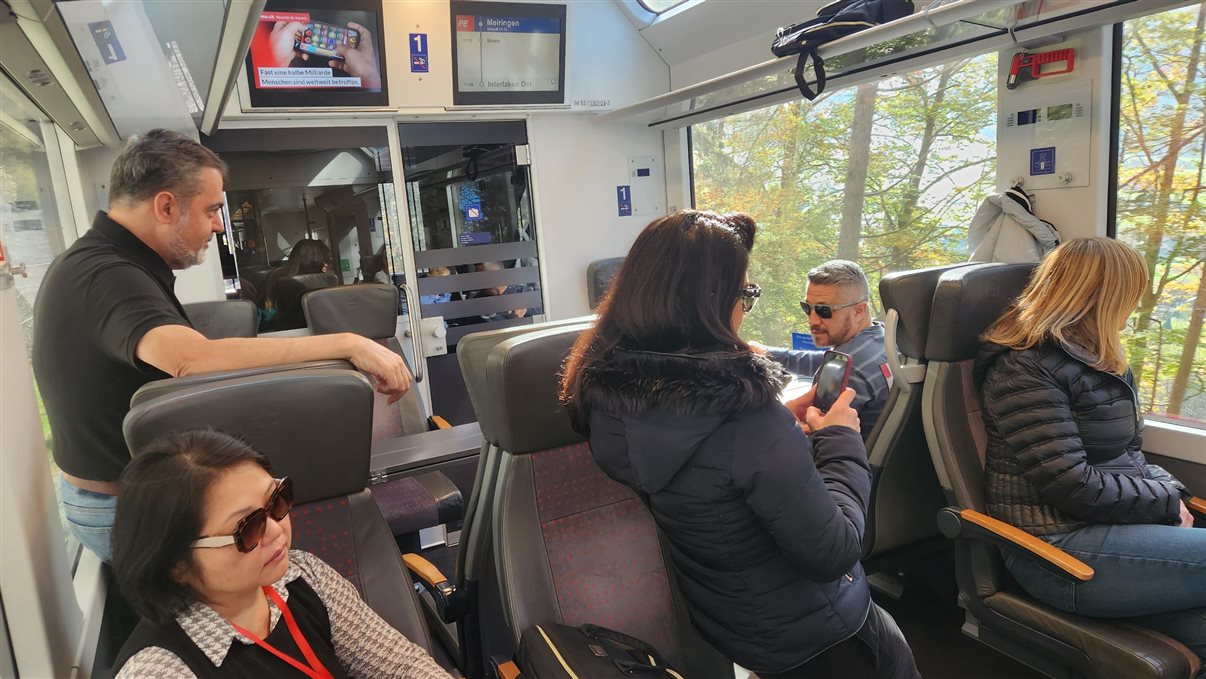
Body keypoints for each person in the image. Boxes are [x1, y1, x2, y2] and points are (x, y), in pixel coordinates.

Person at [560, 210, 919, 679]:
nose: (745, 307)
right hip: (820, 635)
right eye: (746, 293)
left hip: (728, 619)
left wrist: (779, 433)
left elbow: (711, 472)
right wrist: (840, 438)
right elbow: (834, 551)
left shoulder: (609, 400)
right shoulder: (749, 422)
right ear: (707, 303)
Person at [31, 129, 411, 562]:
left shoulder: (108, 262)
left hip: (127, 495)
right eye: (211, 209)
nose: (217, 225)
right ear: (166, 206)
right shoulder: (108, 274)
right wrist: (346, 342)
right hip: (123, 506)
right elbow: (190, 360)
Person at [976, 237, 1204, 659]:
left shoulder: (1100, 359)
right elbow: (1071, 483)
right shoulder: (1023, 367)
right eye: (1131, 294)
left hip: (1113, 528)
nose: (1135, 306)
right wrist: (1167, 504)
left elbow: (1132, 453)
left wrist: (1174, 493)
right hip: (1056, 551)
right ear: (1103, 297)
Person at [110, 429, 451, 678]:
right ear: (177, 565)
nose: (276, 530)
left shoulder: (303, 577)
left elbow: (403, 666)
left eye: (276, 501)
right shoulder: (161, 671)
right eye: (247, 527)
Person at [749, 260, 889, 439]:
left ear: (859, 310)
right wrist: (767, 353)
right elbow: (822, 359)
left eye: (824, 310)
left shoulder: (847, 369)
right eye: (807, 307)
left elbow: (815, 443)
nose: (812, 320)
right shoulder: (880, 338)